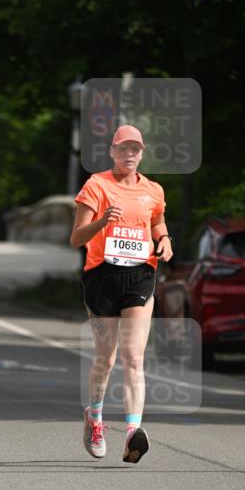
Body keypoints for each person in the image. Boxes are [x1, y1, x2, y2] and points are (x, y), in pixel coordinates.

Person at [70, 125, 173, 464]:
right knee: (106, 358)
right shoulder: (96, 185)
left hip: (140, 276)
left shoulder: (153, 190)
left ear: (142, 154)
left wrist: (165, 239)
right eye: (123, 148)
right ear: (112, 151)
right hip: (102, 276)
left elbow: (157, 222)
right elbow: (76, 238)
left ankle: (132, 431)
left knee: (134, 357)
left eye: (135, 149)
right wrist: (103, 222)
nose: (129, 154)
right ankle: (95, 418)